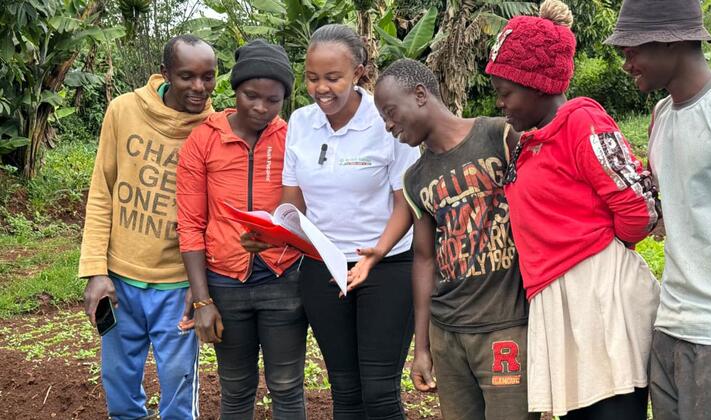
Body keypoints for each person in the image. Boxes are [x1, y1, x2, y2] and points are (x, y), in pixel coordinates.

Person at [485, 1, 661, 418]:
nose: (501, 105)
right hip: (561, 299)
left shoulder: (582, 122)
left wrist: (601, 252)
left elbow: (639, 209)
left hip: (599, 299)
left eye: (506, 94)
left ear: (536, 85)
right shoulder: (532, 140)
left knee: (613, 410)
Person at [606, 0, 711, 418]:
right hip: (670, 331)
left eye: (632, 51)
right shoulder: (661, 114)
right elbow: (678, 214)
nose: (626, 64)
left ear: (670, 41)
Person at [371, 58, 534, 420]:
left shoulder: (499, 136)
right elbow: (424, 258)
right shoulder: (415, 177)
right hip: (448, 333)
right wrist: (422, 347)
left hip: (506, 327)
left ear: (420, 95)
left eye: (391, 112)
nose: (388, 125)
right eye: (383, 118)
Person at [275, 24, 420, 419]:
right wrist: (272, 232)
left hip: (387, 266)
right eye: (312, 77)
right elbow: (292, 201)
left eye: (333, 77)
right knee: (344, 389)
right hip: (324, 267)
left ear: (358, 72)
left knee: (380, 391)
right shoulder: (301, 122)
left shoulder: (386, 119)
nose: (321, 88)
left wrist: (377, 253)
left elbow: (406, 203)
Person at [79, 34, 216, 419]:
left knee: (178, 384)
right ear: (166, 73)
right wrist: (96, 271)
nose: (199, 87)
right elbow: (102, 191)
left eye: (208, 77)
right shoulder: (123, 111)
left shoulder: (213, 130)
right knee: (118, 379)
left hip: (177, 284)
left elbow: (213, 214)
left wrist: (200, 287)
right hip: (120, 280)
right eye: (187, 76)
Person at [176, 39, 307, 420]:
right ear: (235, 90)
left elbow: (306, 211)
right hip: (225, 284)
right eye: (251, 96)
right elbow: (191, 223)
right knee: (235, 389)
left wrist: (278, 236)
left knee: (287, 386)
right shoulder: (204, 140)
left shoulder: (293, 139)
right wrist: (203, 301)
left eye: (273, 100)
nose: (261, 108)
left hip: (283, 280)